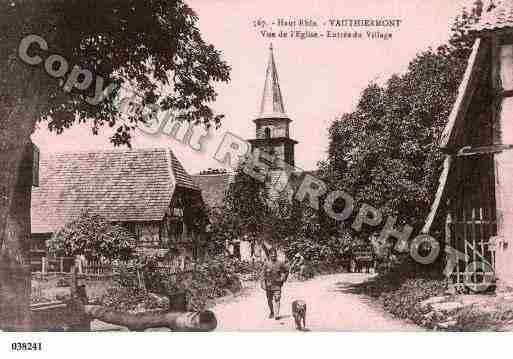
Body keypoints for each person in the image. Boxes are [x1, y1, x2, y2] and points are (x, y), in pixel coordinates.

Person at [261, 248, 289, 320]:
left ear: (276, 255)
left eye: (275, 254)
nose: (273, 255)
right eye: (272, 254)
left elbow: (286, 270)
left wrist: (283, 277)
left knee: (277, 298)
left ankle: (276, 314)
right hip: (269, 285)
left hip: (277, 284)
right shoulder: (266, 263)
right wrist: (263, 283)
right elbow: (262, 274)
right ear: (269, 255)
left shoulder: (280, 263)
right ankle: (272, 312)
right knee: (269, 300)